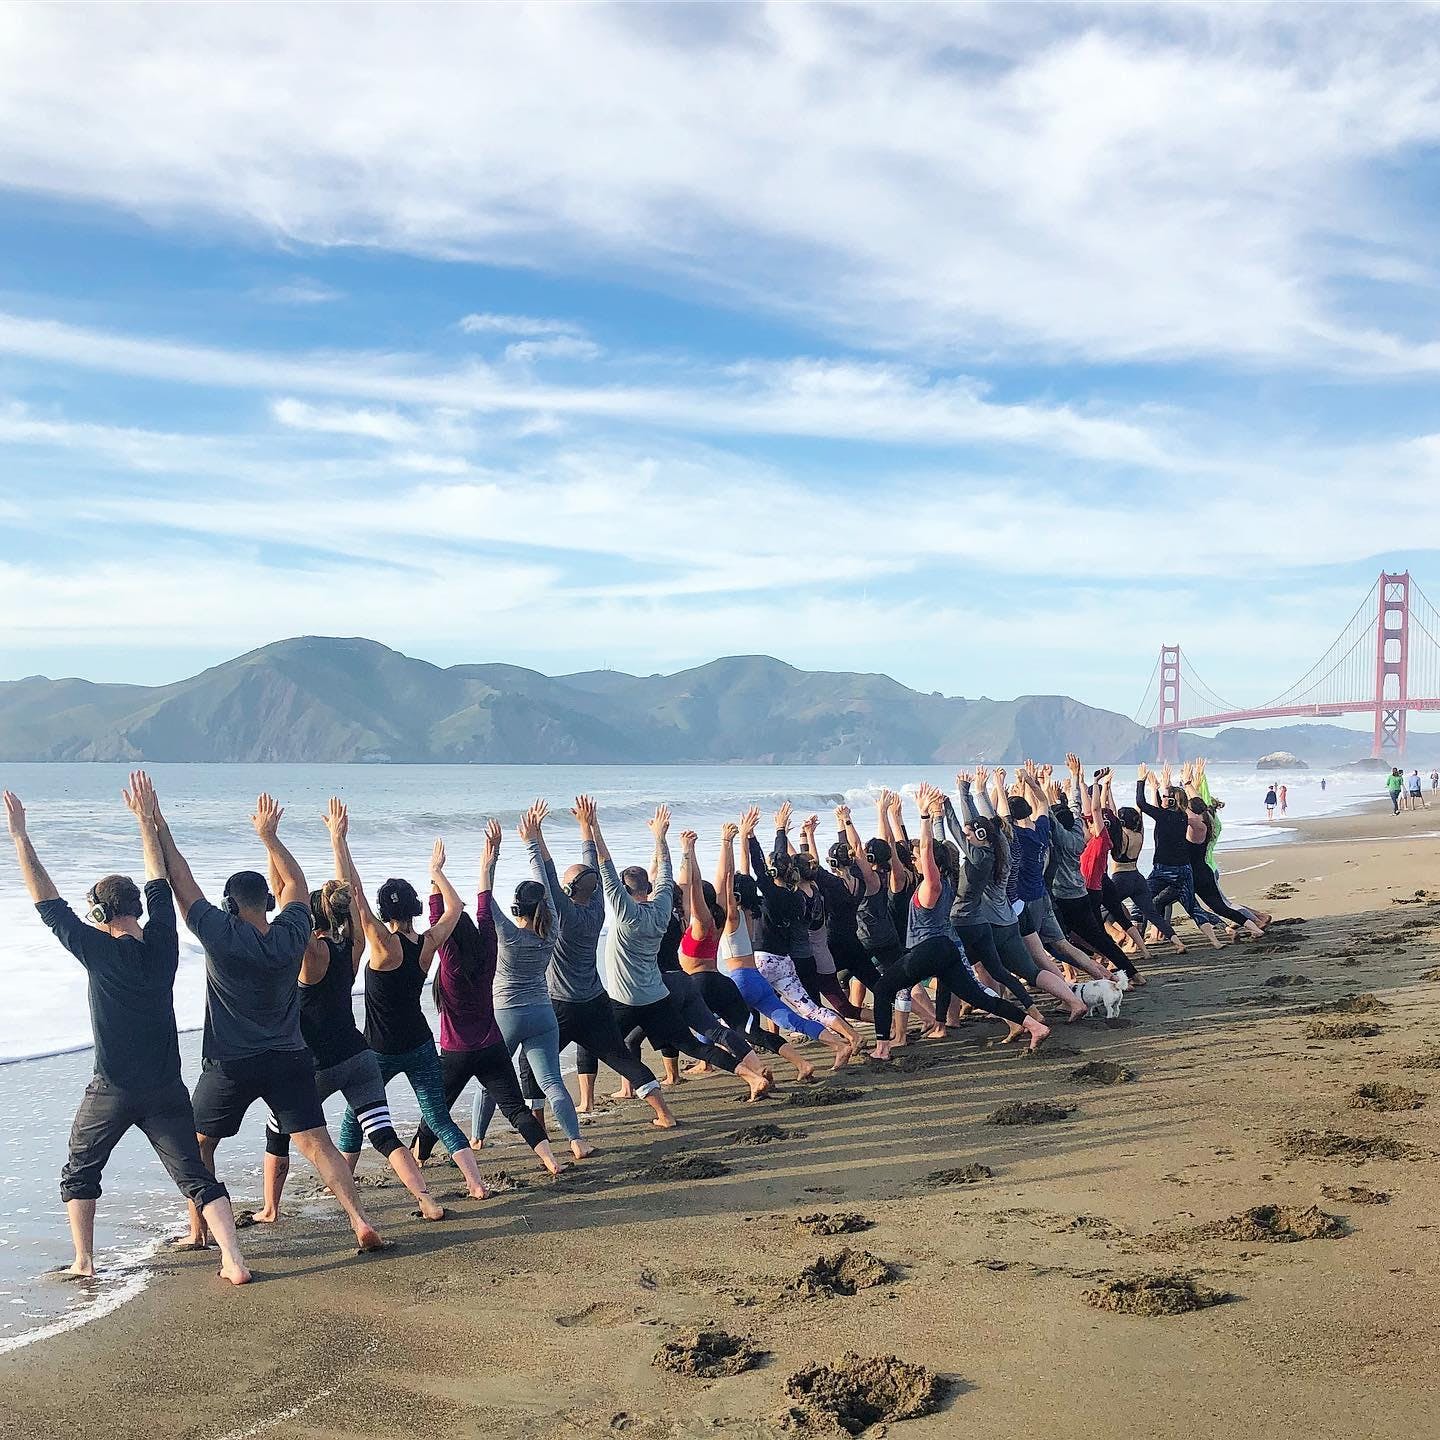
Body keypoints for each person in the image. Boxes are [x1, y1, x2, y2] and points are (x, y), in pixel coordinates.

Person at [4, 777, 251, 1285]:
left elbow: (46, 901)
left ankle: (84, 1261)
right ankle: (234, 1260)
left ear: (98, 914)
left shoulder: (96, 950)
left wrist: (20, 839)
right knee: (197, 1178)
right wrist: (146, 822)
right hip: (166, 1088)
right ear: (136, 909)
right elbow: (159, 881)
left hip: (112, 1089)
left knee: (79, 1171)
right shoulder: (165, 944)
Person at [156, 791, 387, 1254]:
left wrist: (157, 823)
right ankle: (359, 1220)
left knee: (198, 1145)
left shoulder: (220, 934)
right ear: (267, 901)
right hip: (289, 1058)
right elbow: (297, 884)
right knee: (318, 1144)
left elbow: (180, 880)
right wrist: (270, 837)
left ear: (228, 903)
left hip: (230, 1063)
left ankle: (199, 1231)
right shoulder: (293, 932)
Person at [255, 798, 446, 1222]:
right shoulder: (353, 946)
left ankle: (271, 1207)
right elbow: (352, 894)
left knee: (277, 1129)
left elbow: (290, 897)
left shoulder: (309, 955)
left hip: (316, 1064)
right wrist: (338, 840)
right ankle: (427, 1200)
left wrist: (270, 843)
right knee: (383, 1133)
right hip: (358, 1056)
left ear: (311, 917)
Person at [332, 818, 491, 1200]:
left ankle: (342, 1184)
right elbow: (455, 906)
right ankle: (476, 1183)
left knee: (356, 1116)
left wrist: (339, 840)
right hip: (420, 1043)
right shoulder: (428, 942)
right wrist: (437, 872)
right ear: (415, 908)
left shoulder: (382, 943)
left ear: (386, 909)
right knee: (438, 1117)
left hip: (380, 1050)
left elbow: (352, 894)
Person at [513, 795, 675, 1127]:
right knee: (619, 1055)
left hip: (562, 1005)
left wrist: (535, 838)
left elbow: (544, 873)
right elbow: (590, 867)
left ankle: (539, 1125)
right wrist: (586, 826)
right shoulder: (599, 904)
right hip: (595, 1000)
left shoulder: (563, 912)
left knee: (531, 1063)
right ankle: (664, 1113)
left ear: (568, 890)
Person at [593, 802, 771, 1101]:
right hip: (676, 983)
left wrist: (593, 827)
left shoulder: (627, 915)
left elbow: (606, 869)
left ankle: (630, 1090)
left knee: (609, 1041)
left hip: (649, 991)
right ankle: (753, 1074)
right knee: (702, 1038)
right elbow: (666, 877)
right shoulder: (668, 911)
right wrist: (663, 841)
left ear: (624, 893)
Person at [870, 784, 1048, 1061]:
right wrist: (895, 818)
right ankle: (1034, 1025)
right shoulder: (951, 877)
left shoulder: (933, 886)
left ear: (934, 866)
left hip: (929, 949)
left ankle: (882, 1048)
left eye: (920, 859)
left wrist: (926, 817)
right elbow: (905, 851)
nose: (916, 859)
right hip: (945, 949)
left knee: (883, 988)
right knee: (979, 997)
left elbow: (927, 848)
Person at [465, 803, 595, 1162]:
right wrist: (532, 841)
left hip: (505, 1013)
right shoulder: (551, 927)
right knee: (552, 1081)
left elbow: (483, 901)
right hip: (542, 1011)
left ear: (516, 908)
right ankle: (576, 1141)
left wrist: (489, 858)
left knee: (494, 1079)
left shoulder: (506, 934)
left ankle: (476, 1138)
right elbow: (548, 889)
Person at [1136, 764, 1224, 948]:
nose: (1165, 800)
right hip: (1184, 869)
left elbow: (1141, 804)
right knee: (1192, 906)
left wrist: (1142, 781)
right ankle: (1216, 940)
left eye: (1168, 798)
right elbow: (1197, 804)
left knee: (1142, 900)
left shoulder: (1162, 816)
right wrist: (1163, 787)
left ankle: (1136, 943)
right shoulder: (1185, 817)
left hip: (1163, 869)